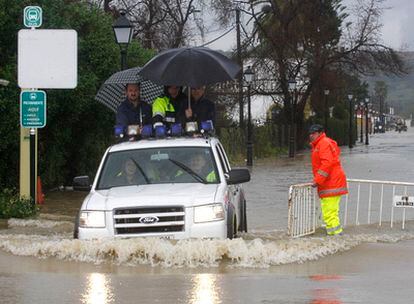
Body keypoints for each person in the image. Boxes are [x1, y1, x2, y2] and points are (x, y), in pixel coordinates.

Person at [309, 124, 348, 236]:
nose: (311, 136)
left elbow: (327, 163)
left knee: (330, 214)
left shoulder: (323, 144)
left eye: (314, 133)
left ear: (320, 133)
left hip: (331, 184)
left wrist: (317, 180)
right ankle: (334, 237)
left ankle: (337, 238)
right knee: (329, 213)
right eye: (310, 133)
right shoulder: (322, 144)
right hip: (330, 183)